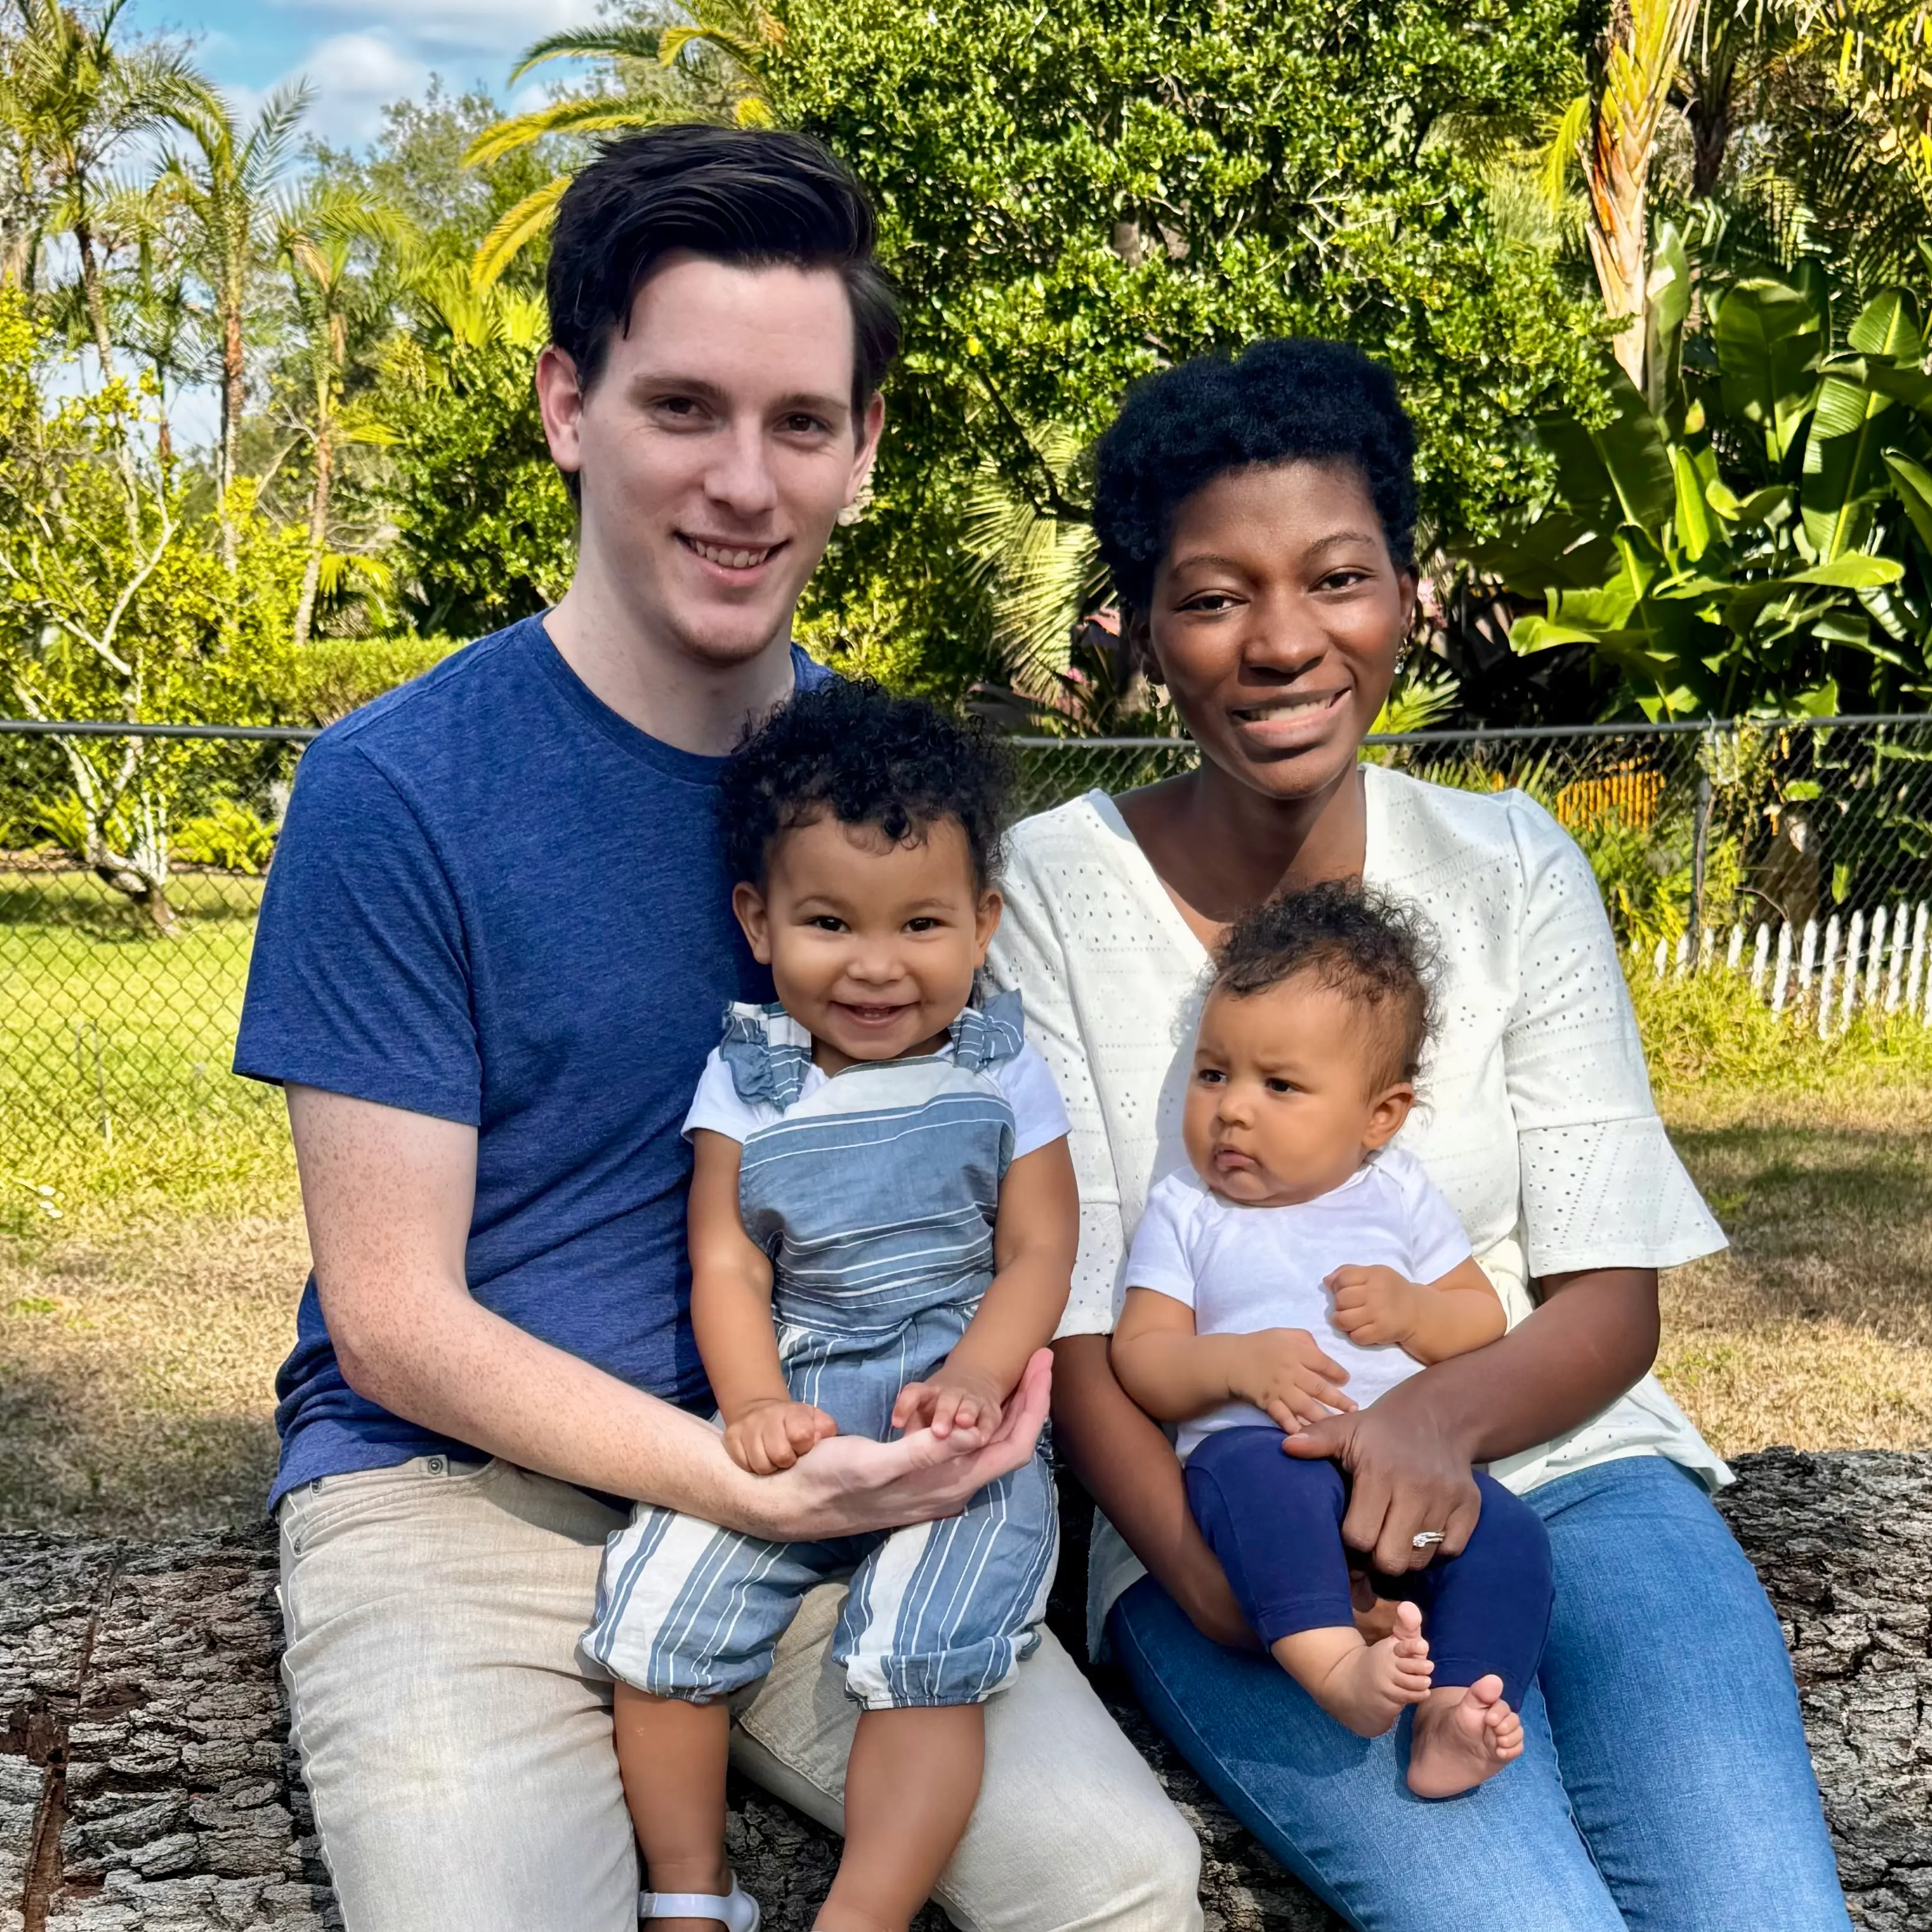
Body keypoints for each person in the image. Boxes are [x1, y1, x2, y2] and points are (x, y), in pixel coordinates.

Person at [235, 125, 1201, 1932]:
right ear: (567, 407)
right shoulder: (396, 789)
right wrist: (746, 1475)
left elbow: (993, 1156)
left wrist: (929, 1421)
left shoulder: (899, 811)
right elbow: (390, 1316)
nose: (744, 483)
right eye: (681, 407)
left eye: (799, 422)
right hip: (465, 1500)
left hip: (843, 1445)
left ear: (864, 447)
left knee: (1119, 1883)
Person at [987, 337, 1851, 1931]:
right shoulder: (1048, 893)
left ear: (1405, 590)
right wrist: (1236, 1595)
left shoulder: (1510, 862)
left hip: (1575, 1477)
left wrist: (1435, 1422)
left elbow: (1607, 1296)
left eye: (1337, 577)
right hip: (1242, 1513)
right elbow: (1087, 1329)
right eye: (1213, 596)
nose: (1282, 641)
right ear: (1144, 633)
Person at [583, 681, 1072, 1931]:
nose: (875, 963)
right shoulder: (748, 1079)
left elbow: (1039, 1247)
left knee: (928, 1649)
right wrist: (751, 1403)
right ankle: (688, 1892)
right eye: (828, 922)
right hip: (801, 1398)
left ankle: (865, 1912)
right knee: (662, 1607)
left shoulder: (1002, 1067)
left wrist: (978, 1375)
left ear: (983, 923)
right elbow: (730, 1265)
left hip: (960, 1416)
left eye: (921, 923)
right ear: (759, 920)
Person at [1109, 883, 1552, 1798]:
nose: (1233, 1111)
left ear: (1379, 1116)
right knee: (1270, 1491)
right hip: (1263, 1462)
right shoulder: (1189, 1209)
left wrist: (1415, 1313)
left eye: (1279, 1086)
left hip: (1404, 1486)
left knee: (1508, 1538)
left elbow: (1481, 1316)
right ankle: (1337, 1669)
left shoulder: (1398, 1193)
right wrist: (1233, 1363)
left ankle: (1452, 1713)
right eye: (1214, 1074)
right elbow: (1142, 1357)